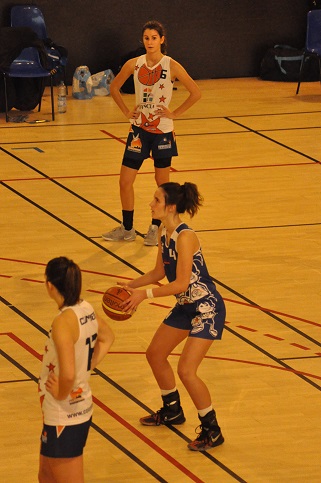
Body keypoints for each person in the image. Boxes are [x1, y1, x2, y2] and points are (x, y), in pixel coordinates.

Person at [118, 182, 226, 451]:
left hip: (206, 308)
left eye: (156, 200)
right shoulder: (165, 234)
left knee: (187, 370)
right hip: (186, 307)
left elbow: (180, 283)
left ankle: (212, 430)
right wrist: (131, 286)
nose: (151, 204)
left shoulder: (185, 236)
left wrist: (145, 296)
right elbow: (158, 274)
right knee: (155, 354)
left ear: (171, 206)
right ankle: (172, 410)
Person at [102, 20, 201, 246]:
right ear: (143, 40)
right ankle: (127, 228)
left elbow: (196, 93)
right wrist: (128, 111)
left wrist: (174, 113)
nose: (150, 42)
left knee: (162, 184)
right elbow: (114, 87)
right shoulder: (134, 64)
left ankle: (155, 228)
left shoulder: (171, 65)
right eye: (146, 38)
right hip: (139, 130)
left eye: (154, 38)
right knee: (125, 181)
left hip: (162, 132)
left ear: (162, 40)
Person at [38, 257, 114, 482]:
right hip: (69, 408)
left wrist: (61, 394)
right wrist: (88, 365)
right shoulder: (86, 308)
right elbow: (108, 337)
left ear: (50, 285)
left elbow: (69, 374)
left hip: (65, 413)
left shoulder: (62, 322)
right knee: (46, 476)